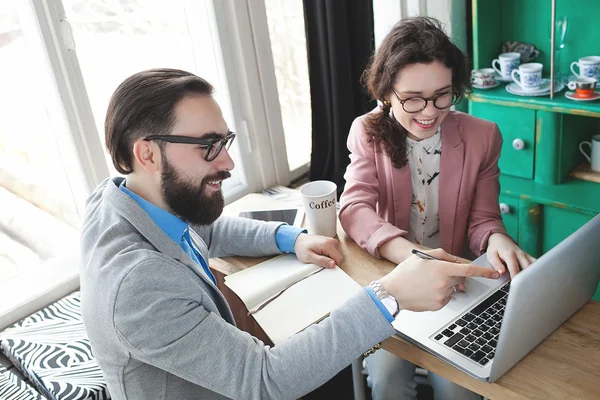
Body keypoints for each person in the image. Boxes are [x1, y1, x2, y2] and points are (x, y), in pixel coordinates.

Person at [79, 68, 500, 400]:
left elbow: (203, 228)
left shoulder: (121, 197)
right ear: (147, 154)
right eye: (208, 146)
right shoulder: (138, 285)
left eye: (225, 140)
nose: (227, 162)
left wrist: (289, 238)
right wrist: (387, 295)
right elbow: (266, 381)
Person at [339, 16, 536, 400]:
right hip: (391, 278)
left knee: (460, 388)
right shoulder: (367, 131)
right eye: (412, 99)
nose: (429, 111)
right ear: (386, 93)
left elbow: (483, 220)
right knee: (387, 378)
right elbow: (354, 208)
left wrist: (496, 238)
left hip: (455, 283)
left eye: (442, 95)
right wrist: (415, 256)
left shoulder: (483, 136)